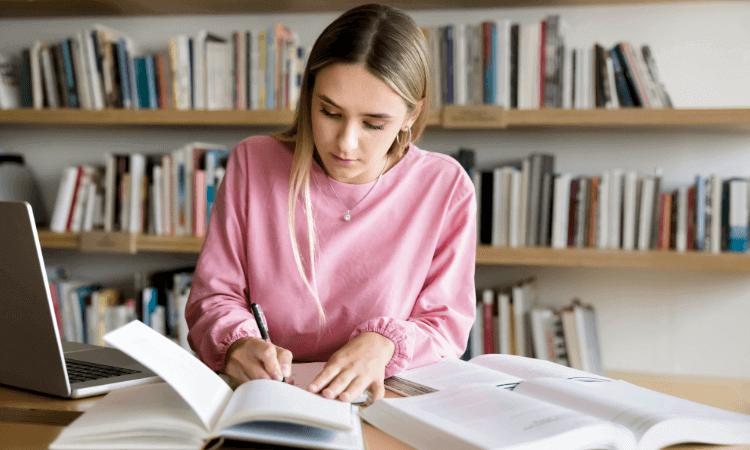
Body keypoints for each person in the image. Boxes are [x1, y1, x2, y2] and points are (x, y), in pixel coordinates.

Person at [185, 3, 476, 403]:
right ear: (309, 96)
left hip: (386, 401)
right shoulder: (253, 163)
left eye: (374, 123)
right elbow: (213, 298)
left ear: (412, 114)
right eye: (329, 112)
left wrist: (384, 344)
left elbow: (446, 323)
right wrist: (237, 344)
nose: (346, 143)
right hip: (269, 399)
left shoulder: (445, 185)